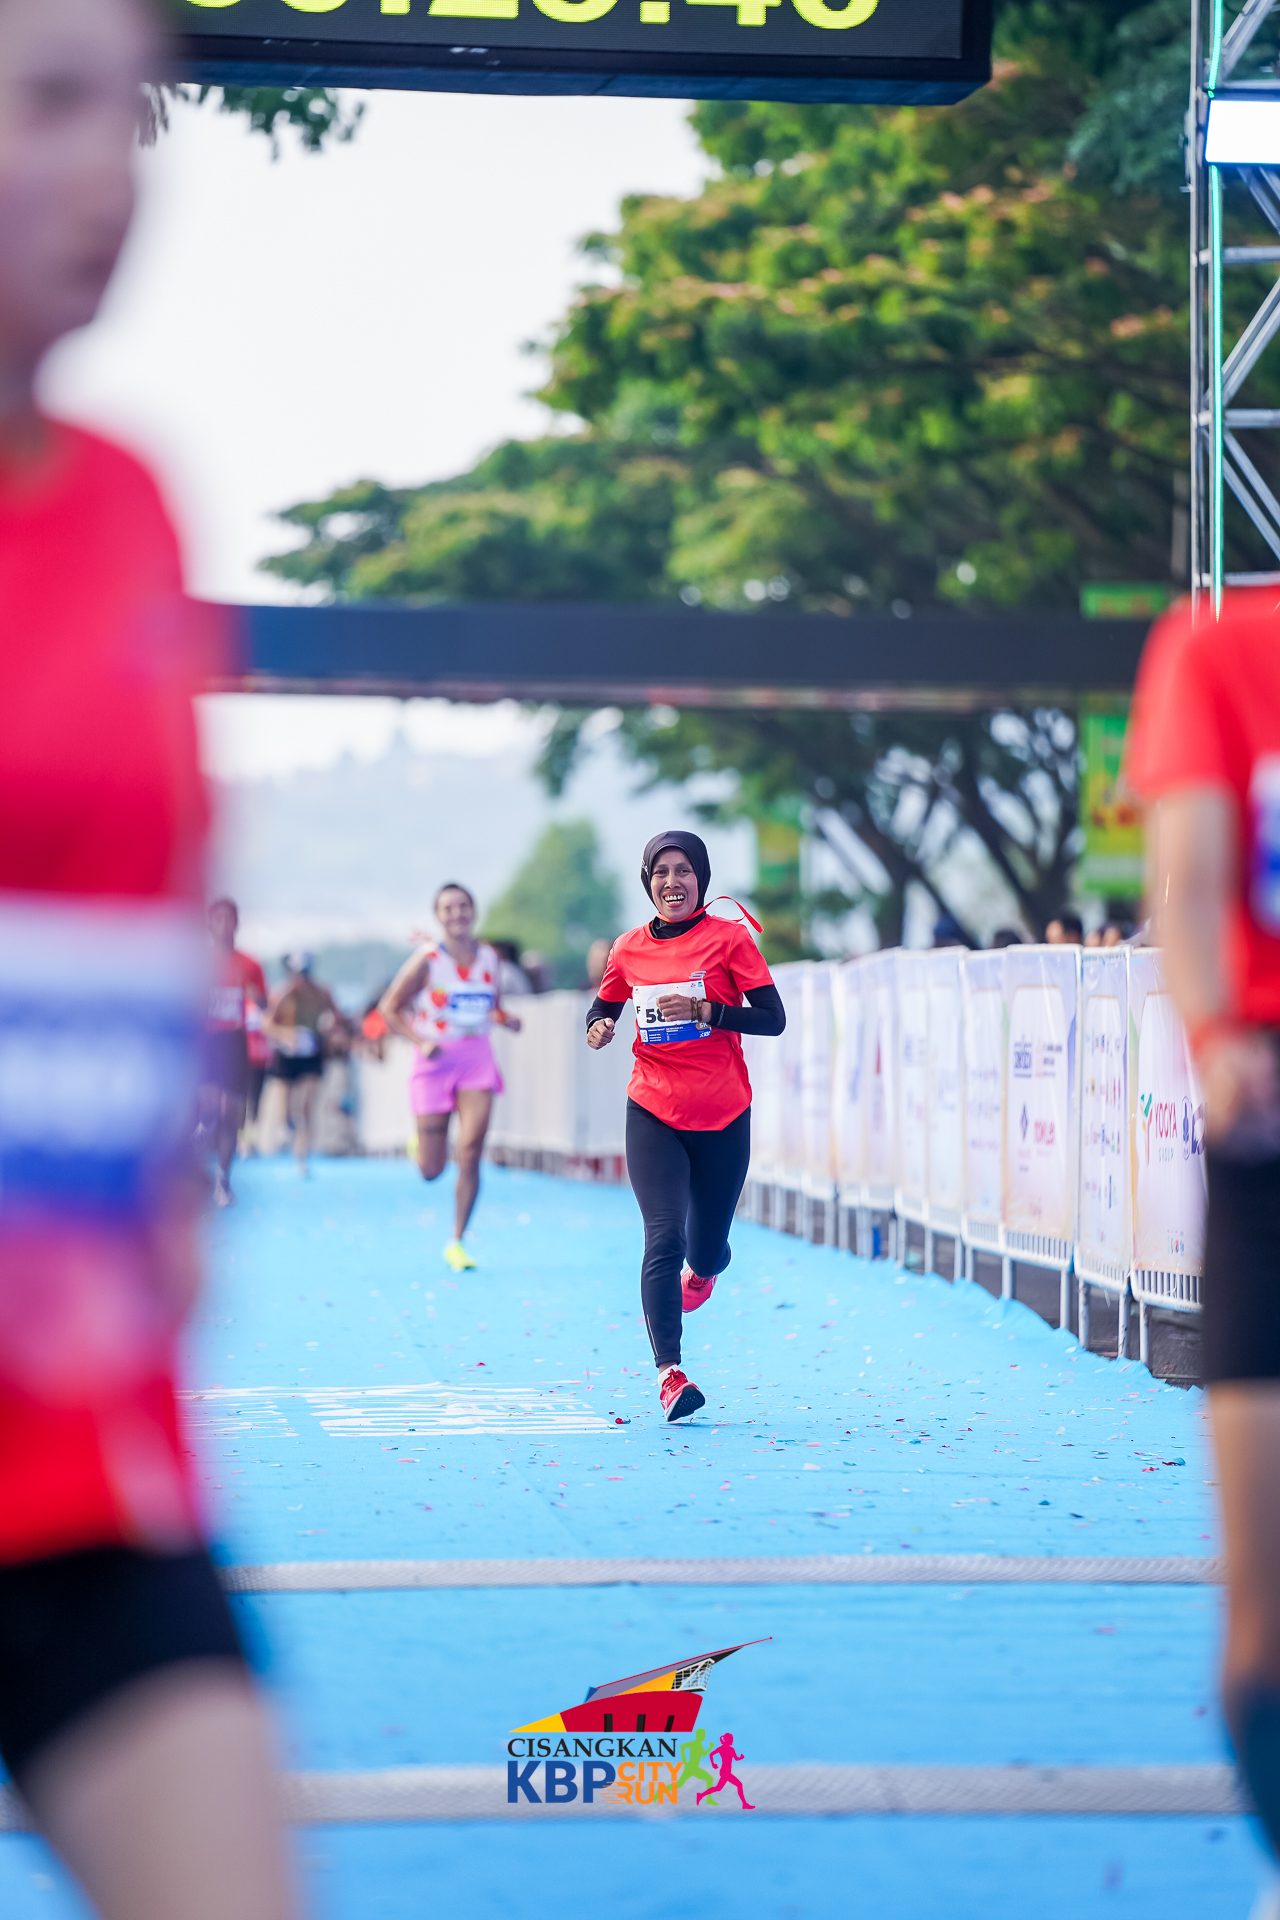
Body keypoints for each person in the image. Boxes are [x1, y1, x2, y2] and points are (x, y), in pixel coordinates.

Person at [0, 2, 295, 1915]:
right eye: (43, 104)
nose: (108, 174)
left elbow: (150, 890)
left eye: (129, 114)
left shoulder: (125, 502)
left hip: (74, 1449)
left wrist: (157, 1176)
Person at [1127, 589, 1280, 1865]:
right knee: (1264, 1624)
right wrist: (1217, 1033)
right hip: (1268, 1132)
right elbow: (1185, 889)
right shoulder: (1220, 648)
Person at [585, 832, 785, 1422]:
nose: (672, 882)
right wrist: (599, 1027)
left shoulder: (730, 939)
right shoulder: (627, 948)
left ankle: (706, 1266)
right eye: (661, 872)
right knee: (663, 1236)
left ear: (701, 878)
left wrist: (707, 1012)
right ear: (648, 882)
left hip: (723, 1112)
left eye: (683, 871)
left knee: (706, 1249)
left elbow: (773, 1018)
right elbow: (605, 1005)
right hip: (653, 1108)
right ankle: (670, 1375)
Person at [380, 884, 521, 1272]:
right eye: (448, 908)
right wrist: (419, 1042)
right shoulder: (427, 959)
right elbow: (389, 1008)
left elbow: (492, 1007)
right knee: (431, 1171)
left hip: (476, 1059)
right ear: (438, 916)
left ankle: (457, 1241)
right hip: (434, 1061)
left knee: (471, 1149)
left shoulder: (489, 957)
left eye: (463, 906)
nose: (457, 913)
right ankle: (421, 1144)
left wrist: (507, 1020)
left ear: (473, 911)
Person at [199, 899, 266, 1206]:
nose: (224, 925)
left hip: (234, 1041)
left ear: (237, 924)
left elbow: (264, 1004)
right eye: (218, 919)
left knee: (231, 1114)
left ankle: (223, 1180)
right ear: (209, 924)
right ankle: (195, 1160)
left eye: (230, 919)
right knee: (210, 1108)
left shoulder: (249, 964)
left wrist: (254, 995)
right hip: (206, 1041)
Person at [265, 952, 345, 1178]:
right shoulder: (282, 994)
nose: (302, 978)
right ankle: (287, 1132)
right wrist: (287, 1035)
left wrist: (332, 1032)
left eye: (305, 973)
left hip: (311, 1053)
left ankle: (301, 1156)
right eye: (298, 974)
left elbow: (338, 1018)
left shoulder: (321, 993)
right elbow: (267, 1025)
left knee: (306, 1108)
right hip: (287, 1055)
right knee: (287, 1113)